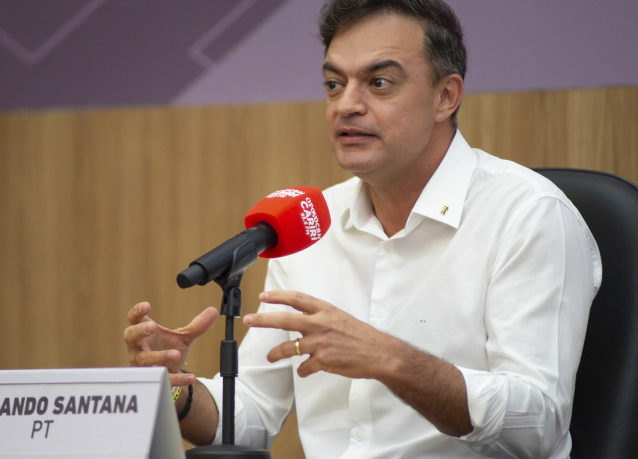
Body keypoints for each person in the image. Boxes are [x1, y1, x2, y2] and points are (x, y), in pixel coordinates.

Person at [124, 0, 602, 457]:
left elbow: (537, 427)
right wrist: (177, 392)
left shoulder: (527, 215)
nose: (346, 105)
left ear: (445, 96)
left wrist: (391, 359)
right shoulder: (308, 226)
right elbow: (249, 416)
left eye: (378, 83)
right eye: (334, 84)